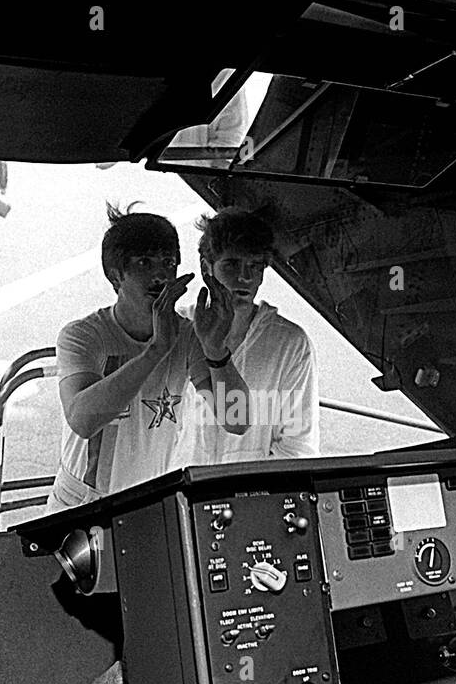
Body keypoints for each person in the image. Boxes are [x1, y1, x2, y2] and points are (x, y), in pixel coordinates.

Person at [44, 202, 250, 515]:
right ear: (116, 275)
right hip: (82, 504)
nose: (160, 275)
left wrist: (215, 349)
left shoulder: (187, 334)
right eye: (144, 263)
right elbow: (82, 420)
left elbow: (237, 421)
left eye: (169, 262)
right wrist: (156, 349)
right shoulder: (83, 336)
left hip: (148, 503)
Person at [179, 206, 318, 464]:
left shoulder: (288, 343)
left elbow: (296, 447)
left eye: (255, 266)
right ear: (206, 266)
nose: (244, 277)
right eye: (232, 264)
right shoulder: (177, 329)